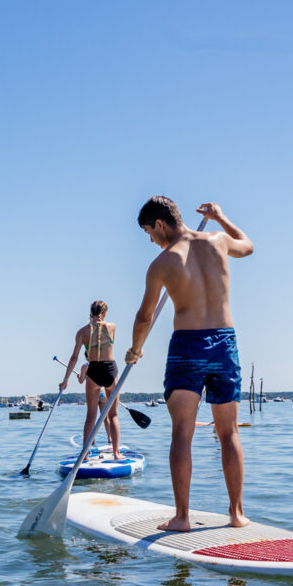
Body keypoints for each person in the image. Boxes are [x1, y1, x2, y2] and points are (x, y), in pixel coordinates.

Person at [125, 198, 254, 532]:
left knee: (182, 432)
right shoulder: (219, 241)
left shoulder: (163, 262)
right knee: (229, 433)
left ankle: (182, 518)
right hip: (225, 343)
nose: (150, 240)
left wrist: (135, 349)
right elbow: (248, 247)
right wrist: (222, 218)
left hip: (188, 344)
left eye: (148, 232)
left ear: (160, 224)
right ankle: (237, 515)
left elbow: (145, 316)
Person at [59, 301, 122, 459]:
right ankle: (116, 453)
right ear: (105, 313)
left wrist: (65, 379)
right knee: (113, 415)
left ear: (90, 312)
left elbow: (74, 357)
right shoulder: (112, 327)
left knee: (90, 416)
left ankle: (85, 453)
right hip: (110, 370)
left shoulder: (82, 332)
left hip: (93, 370)